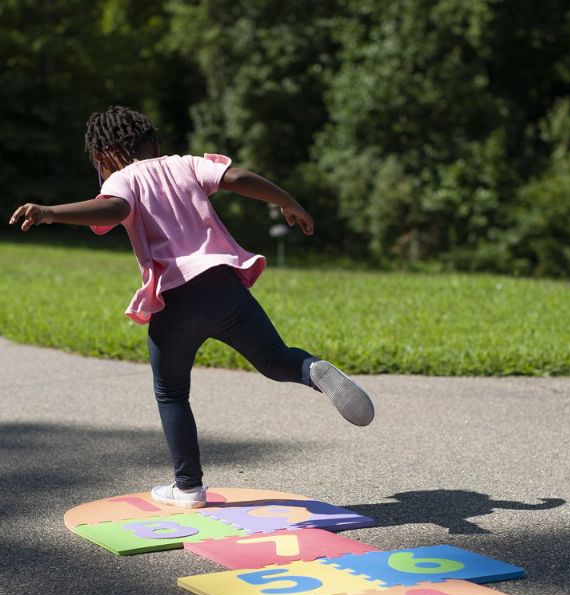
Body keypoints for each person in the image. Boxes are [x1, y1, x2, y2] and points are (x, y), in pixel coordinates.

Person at [9, 106, 374, 509]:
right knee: (275, 359)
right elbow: (236, 178)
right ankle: (312, 370)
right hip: (225, 287)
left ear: (105, 155)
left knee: (171, 392)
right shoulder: (185, 164)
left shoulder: (122, 179)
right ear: (153, 142)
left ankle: (189, 487)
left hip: (176, 301)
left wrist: (50, 212)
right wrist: (289, 202)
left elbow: (113, 211)